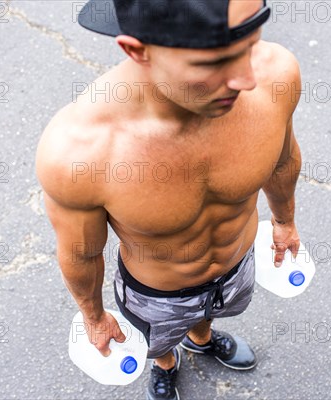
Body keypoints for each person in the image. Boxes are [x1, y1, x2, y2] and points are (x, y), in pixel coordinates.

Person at [36, 1, 302, 398]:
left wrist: (284, 222)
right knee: (158, 342)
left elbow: (283, 161)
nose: (247, 80)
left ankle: (202, 338)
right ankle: (166, 361)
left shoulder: (274, 77)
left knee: (211, 314)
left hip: (237, 265)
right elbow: (81, 252)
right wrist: (93, 317)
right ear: (137, 50)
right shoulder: (80, 153)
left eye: (248, 47)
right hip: (158, 296)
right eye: (214, 63)